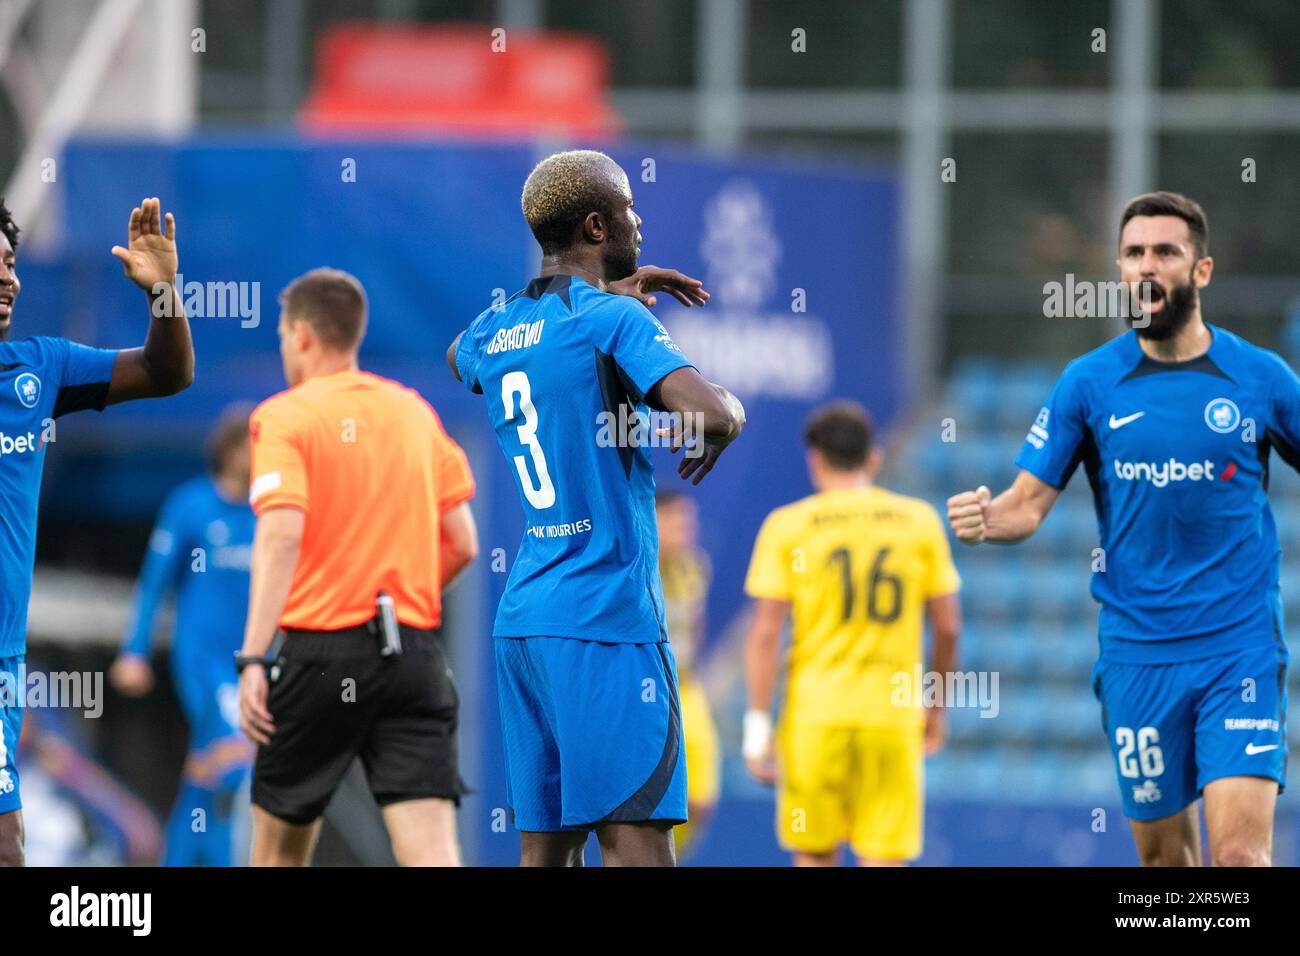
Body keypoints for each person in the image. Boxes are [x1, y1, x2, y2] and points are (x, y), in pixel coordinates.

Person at [948, 192, 1291, 866]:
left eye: (1165, 252)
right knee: (1165, 863)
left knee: (1240, 860)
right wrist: (988, 519)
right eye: (1134, 253)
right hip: (1138, 654)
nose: (1146, 266)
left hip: (1238, 648)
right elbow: (1027, 503)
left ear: (1202, 270)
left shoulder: (1260, 377)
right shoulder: (1089, 383)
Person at [448, 149, 745, 866]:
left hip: (525, 624)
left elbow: (463, 355)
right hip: (606, 624)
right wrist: (726, 417)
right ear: (595, 225)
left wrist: (613, 301)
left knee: (545, 857)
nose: (639, 223)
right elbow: (714, 412)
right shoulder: (612, 321)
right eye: (629, 213)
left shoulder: (496, 330)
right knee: (636, 844)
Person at [238, 267, 478, 867]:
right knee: (433, 853)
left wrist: (252, 657)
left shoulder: (285, 415)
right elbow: (464, 542)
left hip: (321, 657)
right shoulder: (413, 411)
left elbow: (280, 537)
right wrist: (404, 595)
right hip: (414, 655)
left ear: (301, 337)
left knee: (277, 854)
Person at [0, 196, 194, 866]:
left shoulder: (39, 368)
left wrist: (164, 293)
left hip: (1, 667)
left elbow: (167, 373)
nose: (8, 279)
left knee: (7, 845)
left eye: (12, 263)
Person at [743, 401, 961, 866]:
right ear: (873, 458)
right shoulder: (918, 521)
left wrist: (758, 725)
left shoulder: (788, 526)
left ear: (814, 458)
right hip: (892, 715)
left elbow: (765, 633)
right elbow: (948, 626)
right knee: (883, 856)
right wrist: (936, 710)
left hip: (815, 717)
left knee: (815, 854)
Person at [111, 405, 256, 866]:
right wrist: (133, 651)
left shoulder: (268, 512)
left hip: (252, 663)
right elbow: (154, 583)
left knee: (207, 770)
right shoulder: (190, 505)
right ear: (230, 449)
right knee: (235, 764)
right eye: (253, 442)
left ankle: (177, 858)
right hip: (202, 660)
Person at [654, 490, 720, 858]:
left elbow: (697, 627)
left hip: (688, 688)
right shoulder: (636, 569)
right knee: (654, 803)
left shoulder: (697, 566)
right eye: (676, 520)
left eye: (688, 520)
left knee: (701, 800)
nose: (686, 529)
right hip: (647, 693)